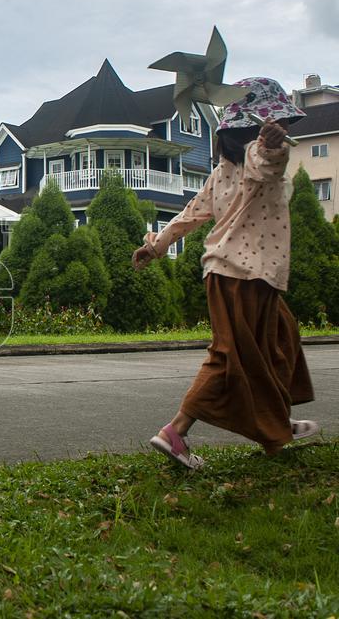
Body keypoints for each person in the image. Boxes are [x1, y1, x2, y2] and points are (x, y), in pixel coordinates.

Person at [132, 77, 319, 469]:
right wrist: (269, 146)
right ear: (253, 129)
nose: (284, 133)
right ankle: (176, 432)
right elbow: (266, 165)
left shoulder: (221, 173)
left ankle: (277, 419)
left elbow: (190, 215)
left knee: (281, 337)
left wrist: (155, 246)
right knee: (228, 356)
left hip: (245, 275)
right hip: (243, 275)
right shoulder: (257, 156)